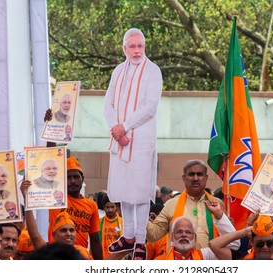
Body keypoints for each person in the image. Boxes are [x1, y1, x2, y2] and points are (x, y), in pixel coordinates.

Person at [104, 28, 162, 260]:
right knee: (123, 191)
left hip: (140, 141)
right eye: (132, 47)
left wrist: (124, 126)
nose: (137, 51)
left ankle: (140, 240)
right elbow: (108, 103)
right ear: (124, 48)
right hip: (120, 140)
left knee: (139, 191)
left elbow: (150, 106)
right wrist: (117, 130)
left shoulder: (153, 71)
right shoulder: (118, 71)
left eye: (140, 46)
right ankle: (127, 235)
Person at [146, 160, 238, 251]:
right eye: (191, 174)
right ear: (183, 178)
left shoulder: (217, 204)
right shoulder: (171, 204)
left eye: (199, 174)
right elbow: (154, 235)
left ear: (206, 178)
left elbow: (228, 238)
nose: (195, 178)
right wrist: (138, 213)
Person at [47, 157, 102, 259]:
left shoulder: (91, 205)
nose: (72, 181)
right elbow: (50, 155)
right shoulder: (55, 198)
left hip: (80, 257)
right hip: (56, 257)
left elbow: (95, 239)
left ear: (82, 179)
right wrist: (52, 140)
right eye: (68, 177)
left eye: (76, 177)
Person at [156, 216, 242, 260]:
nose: (184, 235)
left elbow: (234, 245)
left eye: (188, 232)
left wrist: (219, 216)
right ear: (171, 237)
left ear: (195, 238)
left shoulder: (205, 256)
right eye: (179, 232)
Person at [99, 195, 123, 259]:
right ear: (104, 208)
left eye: (112, 207)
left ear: (116, 207)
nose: (110, 210)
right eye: (107, 207)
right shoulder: (98, 222)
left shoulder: (123, 222)